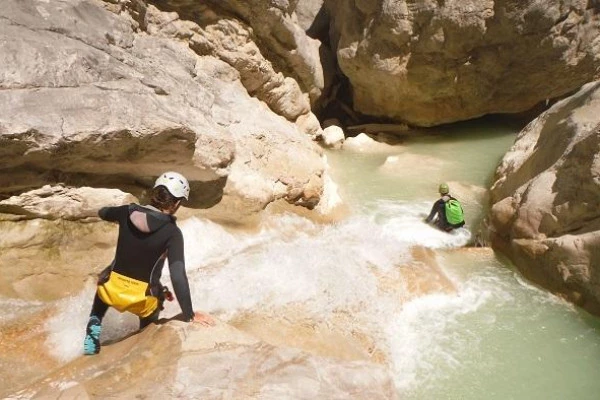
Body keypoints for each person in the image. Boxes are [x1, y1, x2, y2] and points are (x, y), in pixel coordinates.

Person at [83, 171, 214, 355]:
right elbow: (177, 275)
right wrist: (189, 315)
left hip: (110, 292)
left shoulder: (126, 212)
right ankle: (143, 338)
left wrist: (116, 215)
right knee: (158, 294)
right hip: (141, 301)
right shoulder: (172, 233)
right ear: (176, 203)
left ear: (155, 193)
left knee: (106, 276)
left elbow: (103, 212)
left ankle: (94, 324)